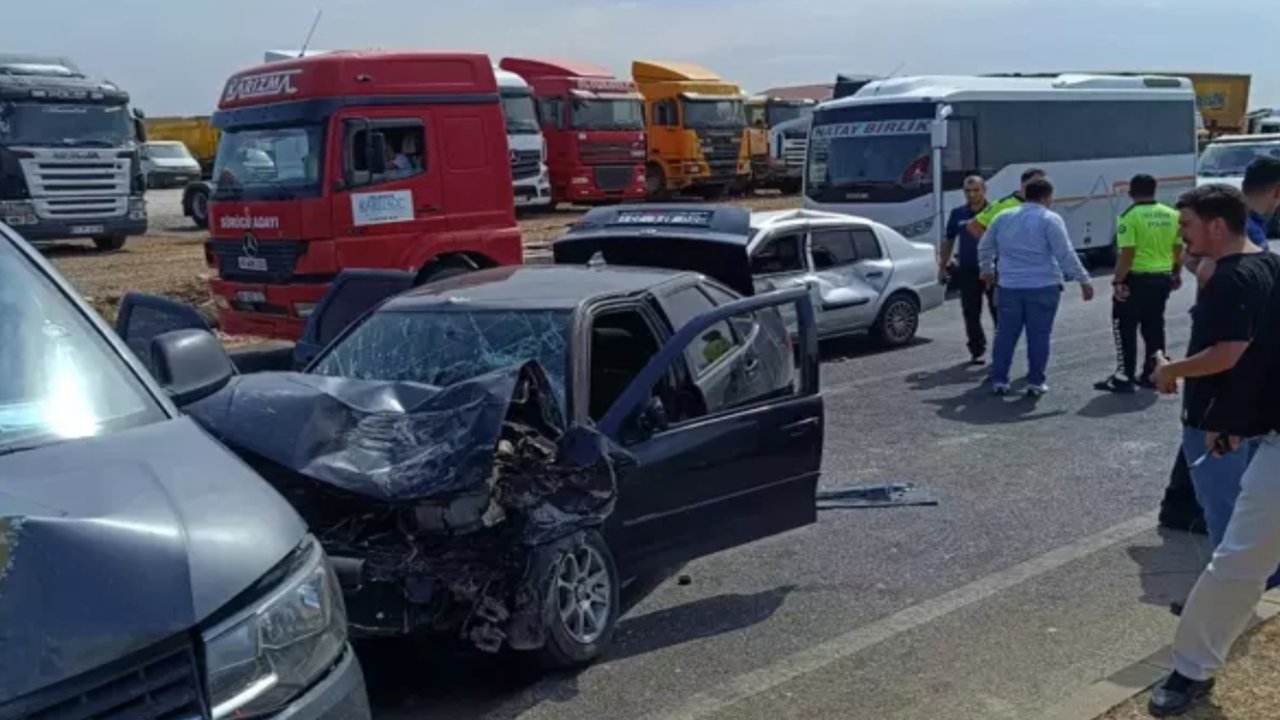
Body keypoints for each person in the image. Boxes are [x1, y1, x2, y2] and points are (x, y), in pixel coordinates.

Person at [1147, 184, 1280, 716]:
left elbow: (1233, 353)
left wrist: (1175, 372)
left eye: (1187, 228)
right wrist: (1237, 422)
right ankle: (1191, 670)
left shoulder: (1242, 273)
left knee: (1237, 552)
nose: (1183, 239)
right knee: (1240, 556)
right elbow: (1265, 359)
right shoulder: (1269, 267)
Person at [979, 177, 1095, 397]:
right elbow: (1065, 254)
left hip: (1009, 286)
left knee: (1005, 335)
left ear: (1025, 194)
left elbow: (985, 246)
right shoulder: (1050, 219)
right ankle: (1035, 382)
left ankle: (1000, 380)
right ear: (1046, 197)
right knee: (1039, 335)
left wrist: (987, 271)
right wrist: (1084, 280)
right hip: (1043, 286)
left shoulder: (1003, 217)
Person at [1095, 175, 1183, 393]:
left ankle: (1125, 375)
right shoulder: (1172, 215)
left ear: (1131, 193)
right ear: (1155, 190)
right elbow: (1178, 247)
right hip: (1162, 277)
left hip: (1136, 278)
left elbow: (1127, 252)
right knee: (1154, 326)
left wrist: (1118, 281)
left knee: (1125, 326)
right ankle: (1153, 373)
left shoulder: (1129, 216)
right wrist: (1176, 272)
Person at [939, 176, 995, 364]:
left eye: (976, 190)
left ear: (984, 190)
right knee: (970, 311)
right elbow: (948, 241)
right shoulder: (957, 214)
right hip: (968, 270)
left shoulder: (995, 212)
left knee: (998, 311)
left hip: (993, 270)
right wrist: (942, 266)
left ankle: (1002, 349)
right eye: (968, 191)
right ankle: (977, 350)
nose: (972, 194)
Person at [966, 167, 1046, 239]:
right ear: (1023, 184)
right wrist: (995, 246)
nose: (1041, 188)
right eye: (1037, 184)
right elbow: (973, 226)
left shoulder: (1040, 204)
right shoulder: (1003, 204)